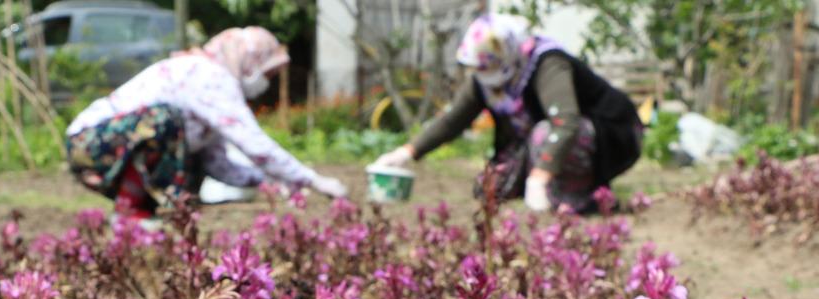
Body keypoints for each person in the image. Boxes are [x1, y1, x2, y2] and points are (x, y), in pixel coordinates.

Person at [66, 27, 347, 222]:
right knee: (166, 120)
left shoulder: (211, 85)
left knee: (193, 154)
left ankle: (146, 212)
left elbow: (219, 164)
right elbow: (254, 144)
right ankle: (135, 213)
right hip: (91, 144)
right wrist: (311, 178)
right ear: (251, 60)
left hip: (109, 147)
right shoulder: (208, 75)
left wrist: (273, 184)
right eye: (268, 72)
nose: (266, 82)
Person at [372, 14, 642, 213]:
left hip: (612, 136)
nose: (482, 75)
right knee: (490, 187)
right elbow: (452, 120)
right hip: (542, 143)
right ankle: (548, 190)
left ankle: (582, 198)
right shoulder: (485, 77)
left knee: (545, 133)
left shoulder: (547, 63)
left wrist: (539, 178)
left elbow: (565, 123)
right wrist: (406, 153)